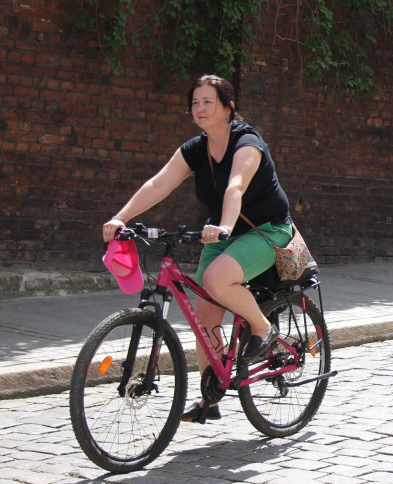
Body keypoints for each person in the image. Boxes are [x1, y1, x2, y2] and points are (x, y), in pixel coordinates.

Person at [102, 74, 293, 424]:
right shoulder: (196, 149)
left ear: (227, 107)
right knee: (205, 317)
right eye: (195, 103)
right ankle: (212, 396)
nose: (200, 109)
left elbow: (235, 186)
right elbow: (159, 183)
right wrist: (121, 216)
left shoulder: (247, 142)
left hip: (266, 231)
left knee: (217, 279)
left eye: (208, 102)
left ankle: (263, 329)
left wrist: (224, 227)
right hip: (223, 233)